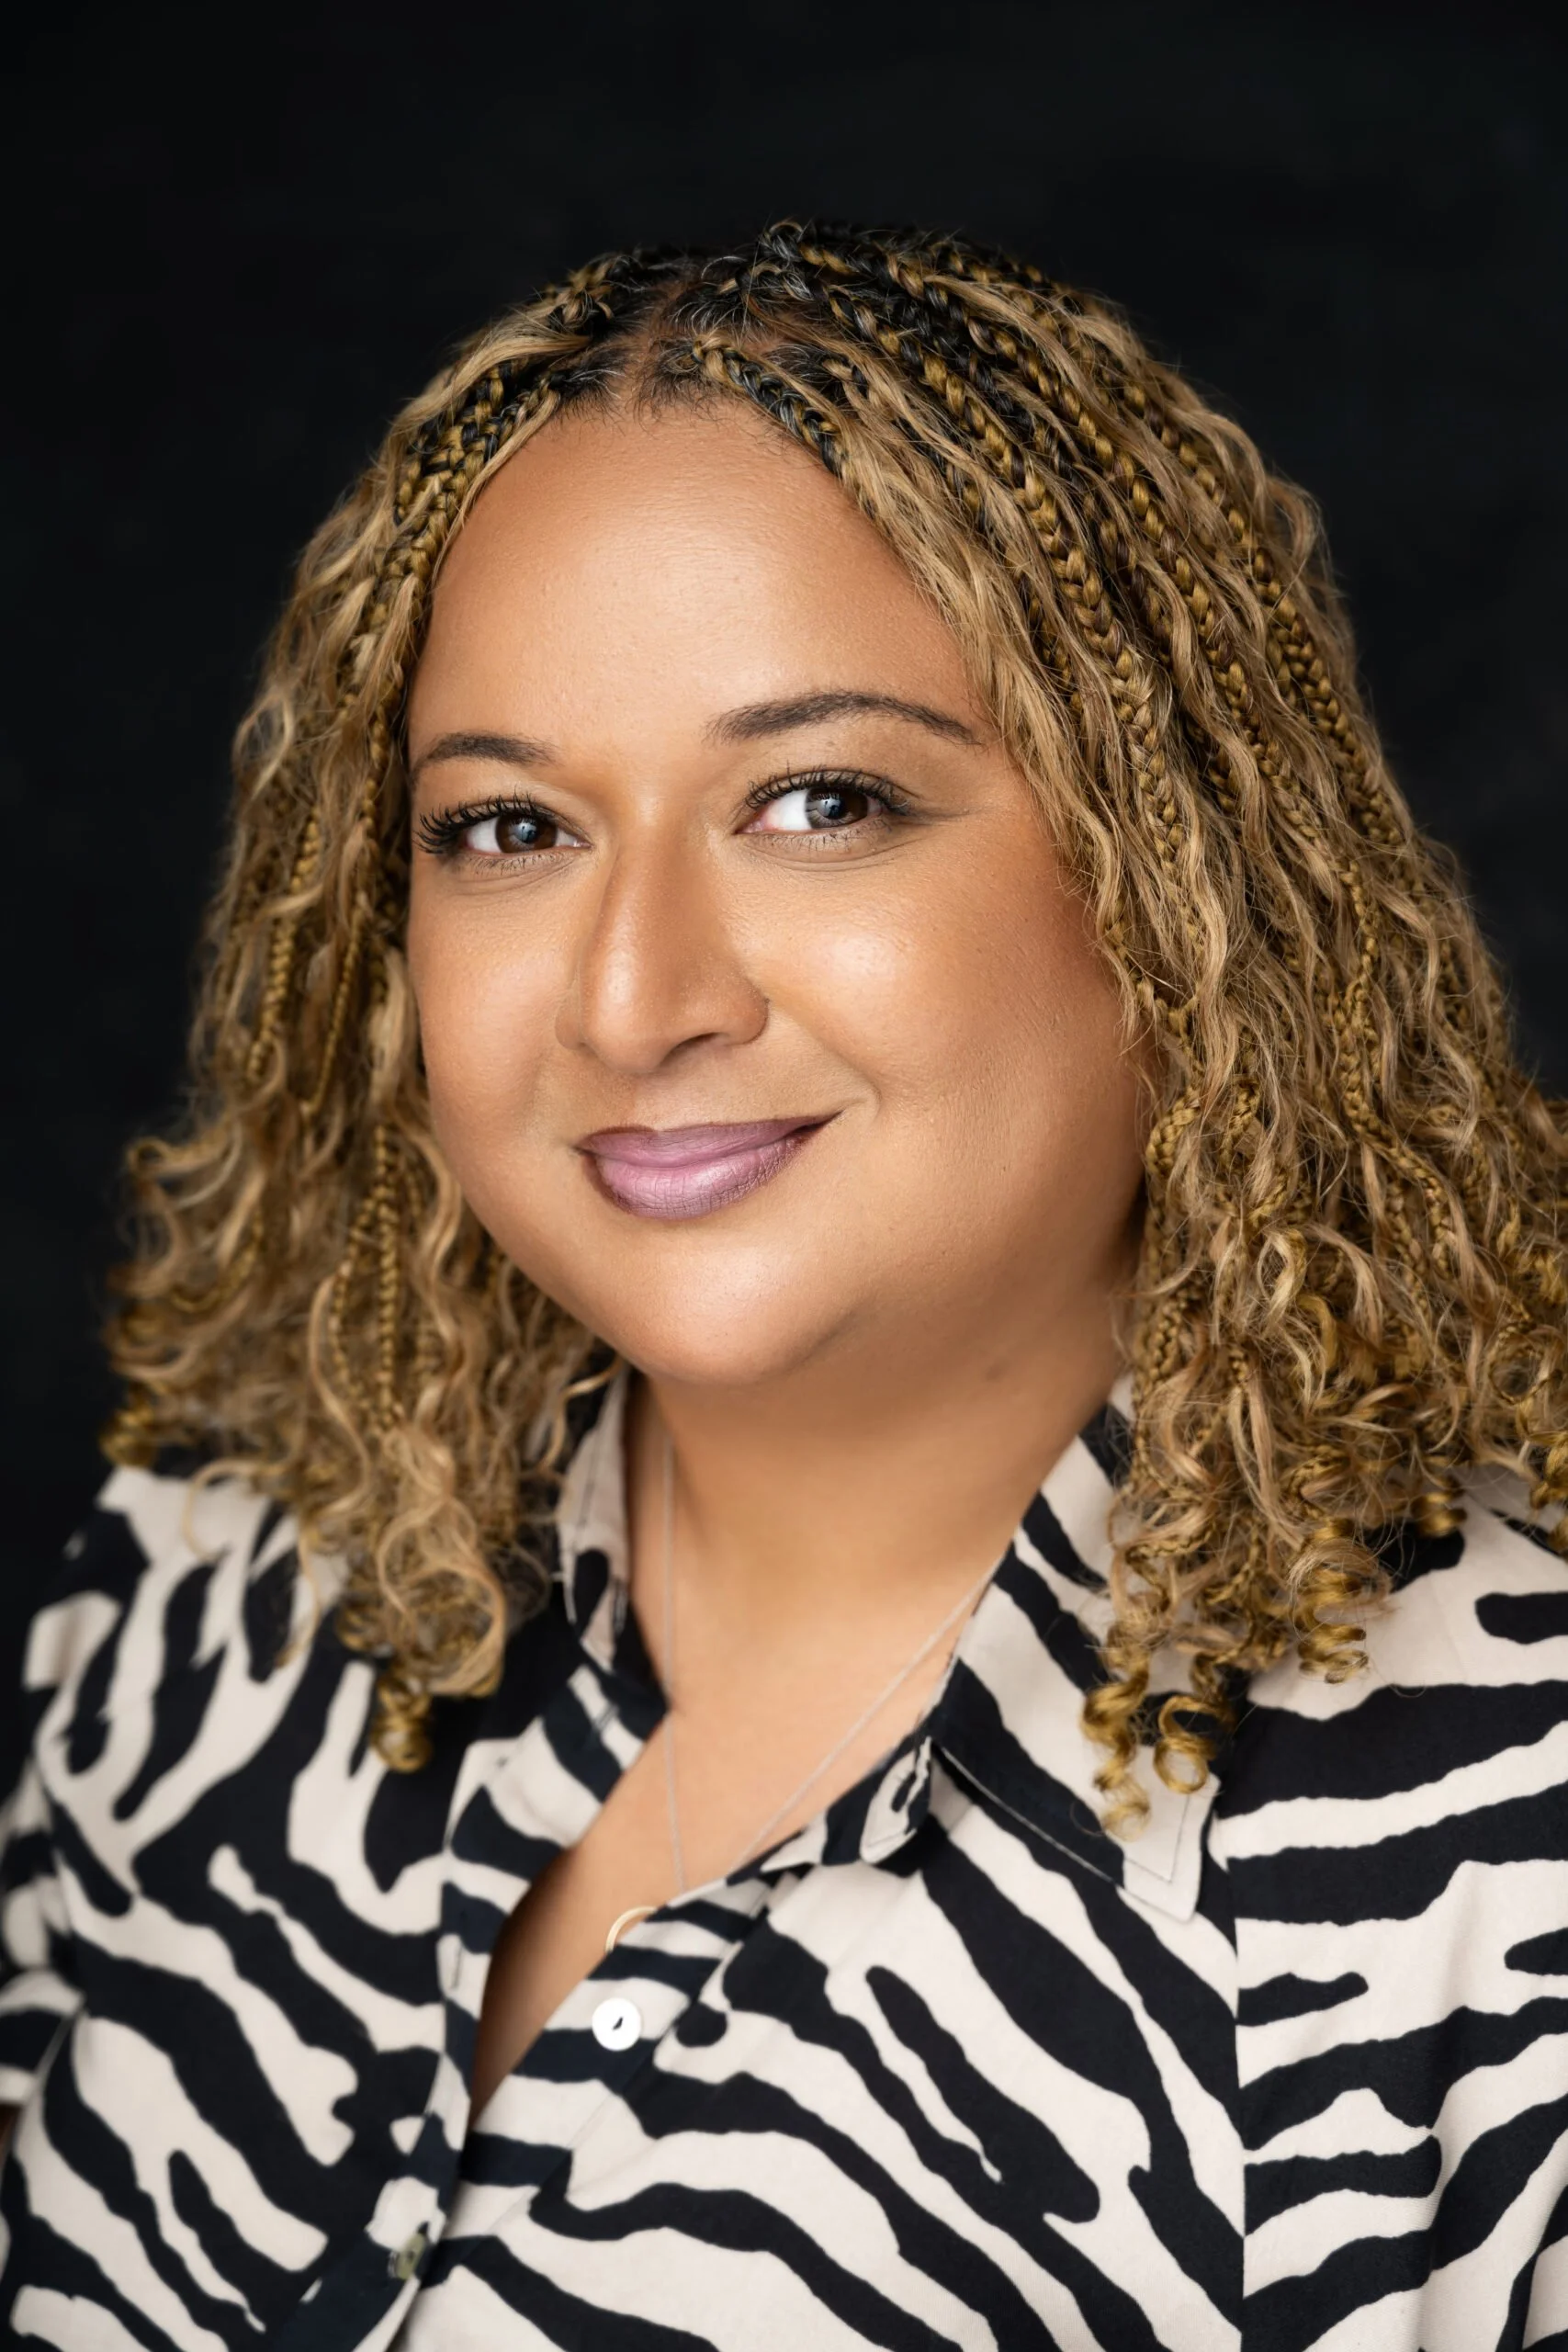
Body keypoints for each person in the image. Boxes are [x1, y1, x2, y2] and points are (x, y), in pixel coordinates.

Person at [1, 222, 1564, 2352]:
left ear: (1179, 875)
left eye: (820, 802)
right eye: (508, 829)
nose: (636, 997)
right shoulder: (215, 1575)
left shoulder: (1492, 1852)